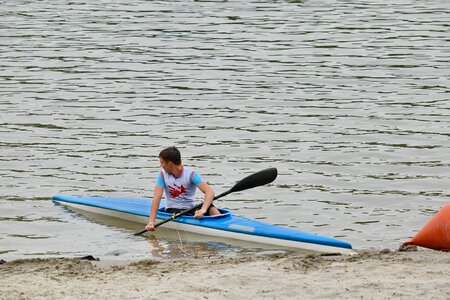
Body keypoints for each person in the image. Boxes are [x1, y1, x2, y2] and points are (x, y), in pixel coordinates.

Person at [145, 146, 220, 231]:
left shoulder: (191, 174)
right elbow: (157, 197)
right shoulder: (162, 175)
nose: (161, 165)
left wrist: (203, 209)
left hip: (190, 208)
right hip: (172, 211)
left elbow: (210, 192)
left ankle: (221, 226)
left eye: (162, 163)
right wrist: (151, 221)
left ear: (170, 164)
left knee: (210, 207)